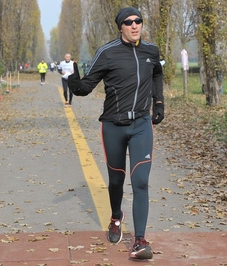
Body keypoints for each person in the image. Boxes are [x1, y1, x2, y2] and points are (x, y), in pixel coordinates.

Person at [67, 7, 164, 260]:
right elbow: (86, 87)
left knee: (141, 181)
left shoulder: (151, 51)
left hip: (141, 124)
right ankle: (116, 216)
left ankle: (140, 240)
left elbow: (157, 75)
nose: (135, 26)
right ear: (120, 27)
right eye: (129, 22)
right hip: (113, 125)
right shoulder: (107, 52)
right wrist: (75, 84)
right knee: (116, 181)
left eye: (138, 21)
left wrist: (159, 102)